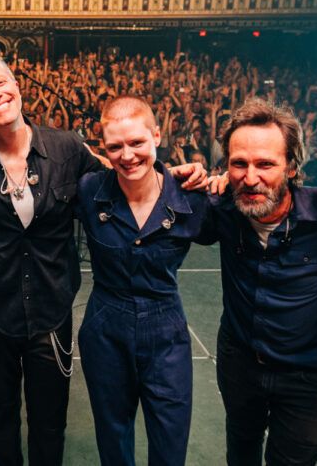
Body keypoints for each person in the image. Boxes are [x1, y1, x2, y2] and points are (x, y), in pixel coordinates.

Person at [0, 51, 207, 466]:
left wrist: (172, 175)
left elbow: (120, 170)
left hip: (50, 313)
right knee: (0, 418)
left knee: (50, 423)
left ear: (16, 84)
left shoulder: (66, 146)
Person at [198, 98, 317, 466]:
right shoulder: (223, 209)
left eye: (265, 164)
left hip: (311, 379)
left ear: (292, 167)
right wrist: (184, 175)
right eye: (239, 163)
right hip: (240, 364)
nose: (250, 177)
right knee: (241, 451)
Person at [77, 96, 211, 466]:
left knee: (170, 442)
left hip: (166, 329)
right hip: (105, 327)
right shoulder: (89, 190)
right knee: (113, 438)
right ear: (103, 148)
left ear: (157, 136)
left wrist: (220, 179)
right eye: (115, 147)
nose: (127, 155)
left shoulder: (190, 197)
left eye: (137, 142)